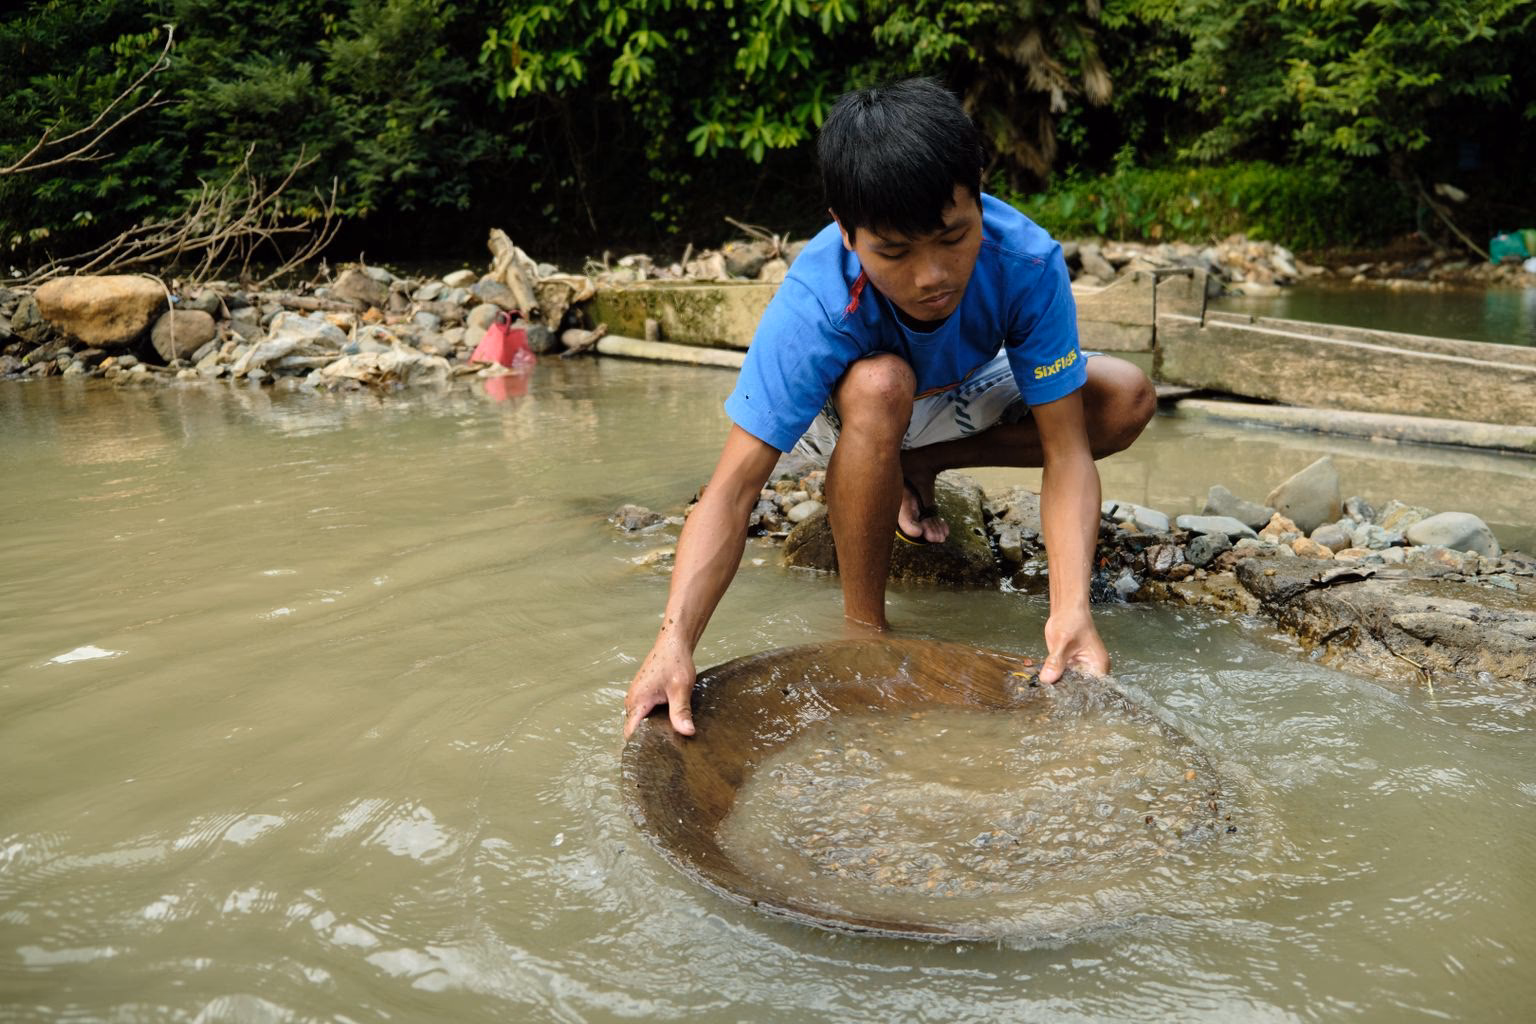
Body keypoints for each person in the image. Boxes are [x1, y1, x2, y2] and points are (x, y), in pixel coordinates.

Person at [623, 78, 1155, 739]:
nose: (933, 276)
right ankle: (863, 629)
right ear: (846, 232)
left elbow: (1066, 450)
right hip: (844, 417)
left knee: (1126, 394)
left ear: (979, 197)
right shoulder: (815, 302)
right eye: (896, 252)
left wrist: (1071, 611)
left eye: (953, 237)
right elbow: (732, 491)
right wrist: (674, 641)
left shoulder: (1025, 259)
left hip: (954, 391)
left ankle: (921, 463)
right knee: (880, 383)